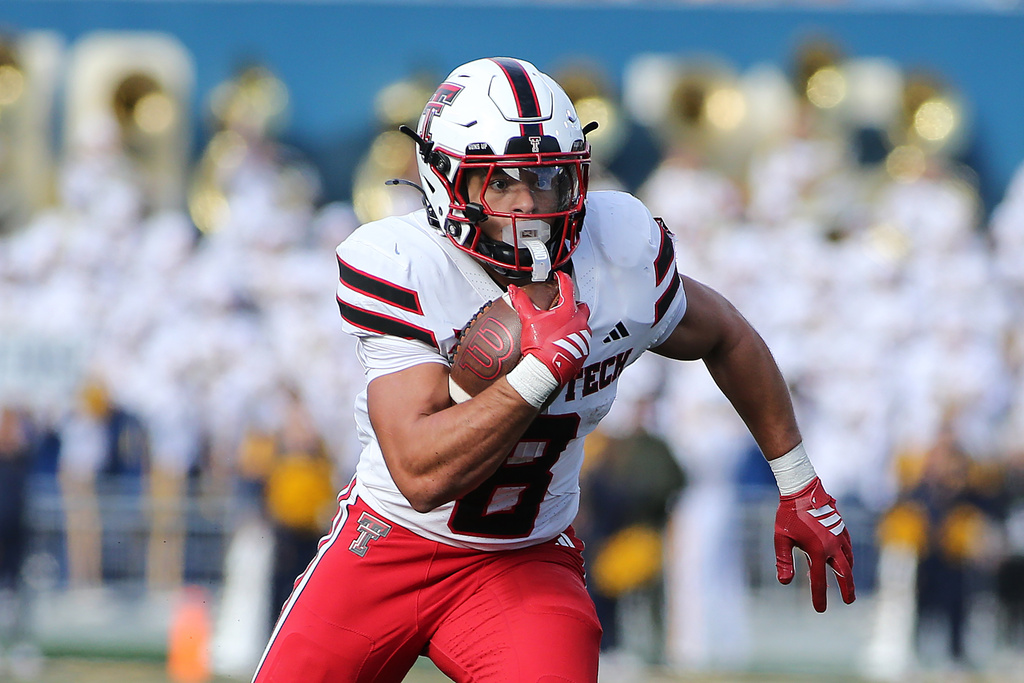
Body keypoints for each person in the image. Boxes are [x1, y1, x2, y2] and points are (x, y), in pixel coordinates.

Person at [252, 57, 855, 683]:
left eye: (549, 180)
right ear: (445, 183)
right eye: (502, 182)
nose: (530, 207)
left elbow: (726, 334)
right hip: (390, 545)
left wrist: (798, 481)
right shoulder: (403, 262)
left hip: (523, 561)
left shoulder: (616, 250)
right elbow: (419, 474)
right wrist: (541, 372)